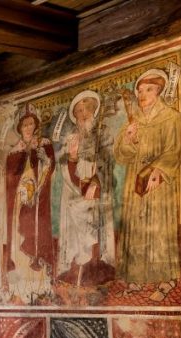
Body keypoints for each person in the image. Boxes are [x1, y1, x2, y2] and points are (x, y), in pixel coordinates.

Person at [113, 69, 181, 286]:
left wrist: (159, 171)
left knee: (159, 227)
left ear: (159, 91)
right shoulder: (133, 122)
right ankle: (136, 278)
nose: (142, 95)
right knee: (136, 227)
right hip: (136, 182)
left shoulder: (171, 117)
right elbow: (121, 156)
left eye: (149, 89)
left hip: (159, 183)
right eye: (140, 90)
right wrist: (130, 139)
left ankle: (164, 280)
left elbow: (174, 150)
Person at [56, 90, 116, 287]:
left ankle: (95, 268)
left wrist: (96, 181)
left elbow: (108, 162)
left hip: (96, 190)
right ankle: (76, 270)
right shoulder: (72, 137)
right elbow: (64, 167)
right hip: (75, 191)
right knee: (75, 220)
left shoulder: (103, 132)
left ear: (94, 111)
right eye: (79, 111)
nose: (83, 114)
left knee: (94, 223)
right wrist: (72, 157)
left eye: (87, 109)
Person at [4, 111, 55, 301]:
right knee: (19, 236)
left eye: (31, 124)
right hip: (20, 201)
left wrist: (44, 160)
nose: (27, 128)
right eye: (24, 125)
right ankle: (20, 286)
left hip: (38, 199)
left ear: (35, 126)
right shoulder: (14, 151)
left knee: (36, 234)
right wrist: (22, 189)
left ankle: (40, 285)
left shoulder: (43, 143)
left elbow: (50, 167)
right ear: (20, 128)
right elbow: (10, 178)